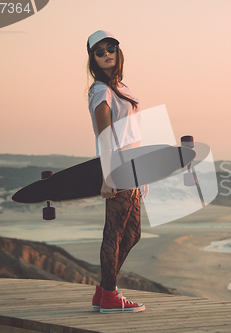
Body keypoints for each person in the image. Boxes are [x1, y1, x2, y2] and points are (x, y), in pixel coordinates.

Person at [86, 30, 148, 313]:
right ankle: (110, 296)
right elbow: (105, 136)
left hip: (133, 167)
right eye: (99, 51)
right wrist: (108, 176)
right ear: (93, 59)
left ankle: (103, 291)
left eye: (110, 48)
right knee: (114, 233)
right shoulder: (101, 91)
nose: (107, 54)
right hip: (119, 168)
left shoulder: (123, 87)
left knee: (132, 233)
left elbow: (133, 133)